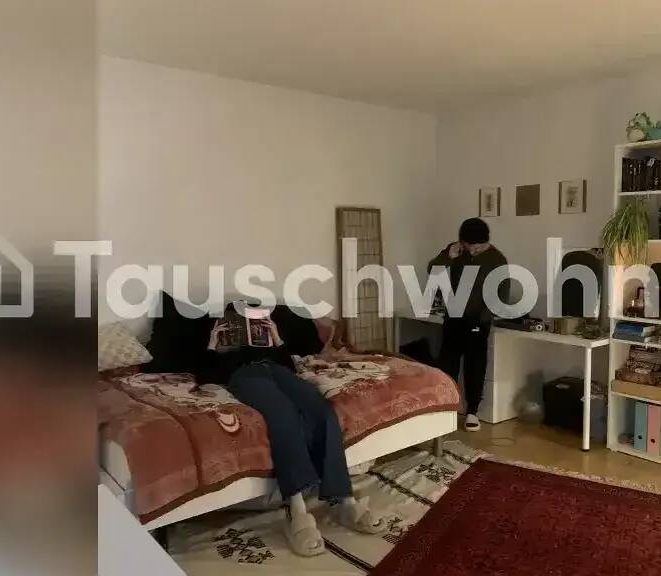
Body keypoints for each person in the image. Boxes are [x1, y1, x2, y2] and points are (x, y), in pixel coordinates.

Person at [197, 302, 385, 557]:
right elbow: (205, 375)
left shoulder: (268, 345)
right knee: (282, 414)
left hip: (276, 370)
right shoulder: (222, 346)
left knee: (322, 410)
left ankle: (344, 500)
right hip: (245, 375)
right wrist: (212, 344)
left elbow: (290, 366)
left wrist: (276, 337)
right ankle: (296, 508)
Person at [428, 218, 508, 431]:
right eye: (468, 245)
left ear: (486, 242)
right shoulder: (456, 250)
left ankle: (472, 411)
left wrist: (483, 317)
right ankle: (447, 409)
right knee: (448, 365)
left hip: (478, 321)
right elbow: (432, 271)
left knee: (475, 365)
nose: (472, 250)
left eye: (477, 247)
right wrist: (448, 257)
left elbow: (503, 294)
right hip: (453, 318)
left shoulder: (497, 260)